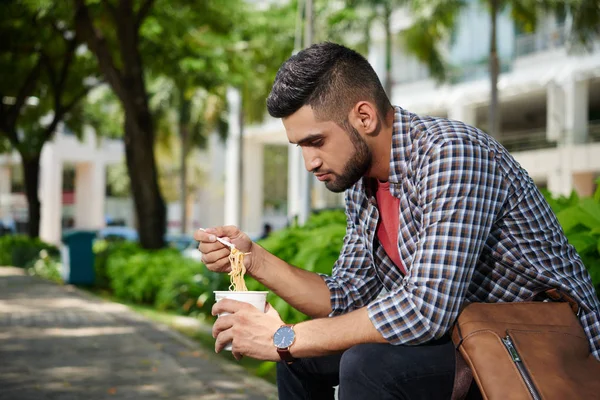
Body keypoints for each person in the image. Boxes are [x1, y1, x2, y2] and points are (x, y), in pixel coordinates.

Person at [195, 42, 600, 400]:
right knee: (300, 361)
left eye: (316, 141)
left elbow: (425, 310)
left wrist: (283, 337)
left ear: (364, 116)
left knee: (364, 364)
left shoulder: (451, 154)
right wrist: (255, 261)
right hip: (461, 339)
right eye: (300, 146)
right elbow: (347, 298)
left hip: (538, 346)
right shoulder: (362, 183)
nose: (310, 162)